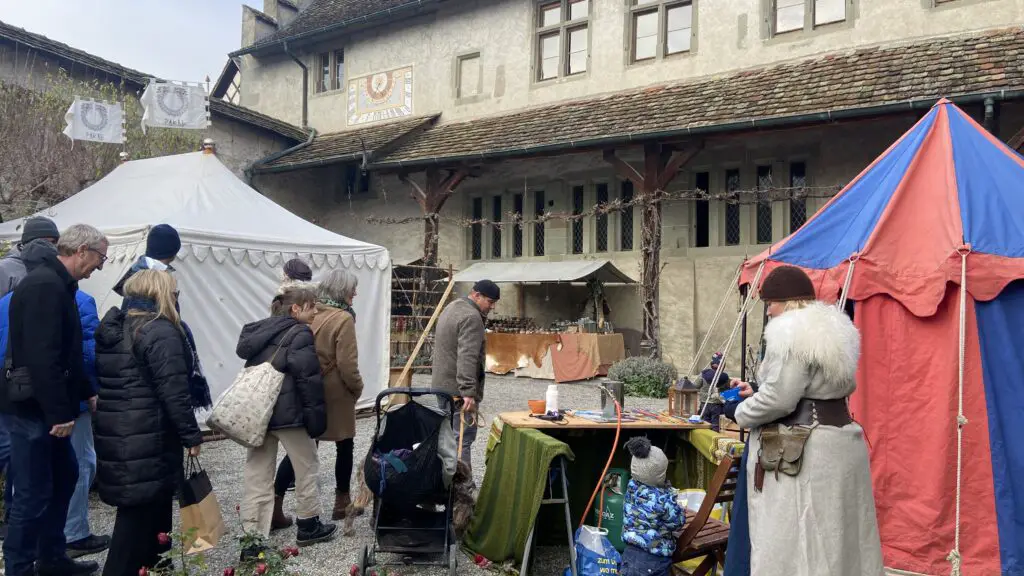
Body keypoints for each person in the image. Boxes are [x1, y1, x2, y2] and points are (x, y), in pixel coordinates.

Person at [727, 265, 883, 576]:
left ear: (786, 303)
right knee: (839, 540)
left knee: (799, 541)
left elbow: (780, 399)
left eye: (770, 303)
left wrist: (740, 412)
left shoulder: (790, 332)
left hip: (805, 451)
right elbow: (812, 388)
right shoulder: (835, 329)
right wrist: (756, 390)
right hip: (840, 442)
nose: (769, 312)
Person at [1, 223, 108, 576]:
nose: (100, 266)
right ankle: (19, 568)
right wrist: (59, 413)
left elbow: (70, 351)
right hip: (33, 407)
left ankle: (51, 557)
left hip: (45, 404)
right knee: (31, 492)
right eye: (100, 257)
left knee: (65, 476)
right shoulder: (45, 286)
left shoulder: (58, 284)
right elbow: (42, 356)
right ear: (81, 251)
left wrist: (87, 391)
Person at [93, 270, 203, 576]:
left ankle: (155, 569)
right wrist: (191, 435)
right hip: (149, 433)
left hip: (121, 429)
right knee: (135, 522)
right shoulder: (159, 331)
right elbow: (174, 391)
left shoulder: (117, 328)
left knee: (150, 513)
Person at [237, 287, 335, 552]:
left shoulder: (259, 332)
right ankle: (308, 524)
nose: (315, 311)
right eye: (311, 306)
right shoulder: (300, 332)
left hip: (260, 413)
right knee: (306, 466)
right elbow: (308, 379)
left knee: (257, 474)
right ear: (296, 309)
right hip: (290, 414)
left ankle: (253, 539)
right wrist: (316, 421)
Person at [274, 270, 363, 528]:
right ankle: (341, 503)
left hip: (307, 389)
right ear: (341, 291)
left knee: (301, 449)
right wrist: (357, 388)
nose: (354, 294)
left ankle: (275, 505)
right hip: (336, 392)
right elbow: (348, 364)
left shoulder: (310, 312)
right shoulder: (344, 318)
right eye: (351, 289)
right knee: (344, 445)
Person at [0, 217, 61, 541]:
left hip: (20, 377)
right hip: (13, 378)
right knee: (19, 462)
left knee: (24, 466)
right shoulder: (8, 271)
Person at [112, 224, 211, 412]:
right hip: (152, 360)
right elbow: (141, 328)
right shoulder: (146, 280)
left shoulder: (142, 273)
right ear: (173, 251)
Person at [430, 279, 498, 475]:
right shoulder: (471, 317)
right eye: (490, 301)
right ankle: (462, 492)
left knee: (446, 440)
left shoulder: (452, 307)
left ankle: (443, 486)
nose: (492, 307)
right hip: (458, 392)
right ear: (476, 295)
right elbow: (467, 356)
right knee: (462, 441)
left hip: (442, 387)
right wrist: (468, 391)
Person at [620, 437, 687, 576]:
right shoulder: (663, 498)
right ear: (661, 474)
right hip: (655, 558)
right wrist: (677, 505)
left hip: (630, 553)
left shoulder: (631, 487)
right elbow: (677, 522)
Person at [695, 352, 730, 432]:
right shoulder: (724, 377)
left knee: (704, 424)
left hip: (704, 404)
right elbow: (727, 391)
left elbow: (696, 386)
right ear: (723, 365)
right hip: (717, 405)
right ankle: (714, 439)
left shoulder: (704, 374)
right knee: (715, 425)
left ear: (712, 364)